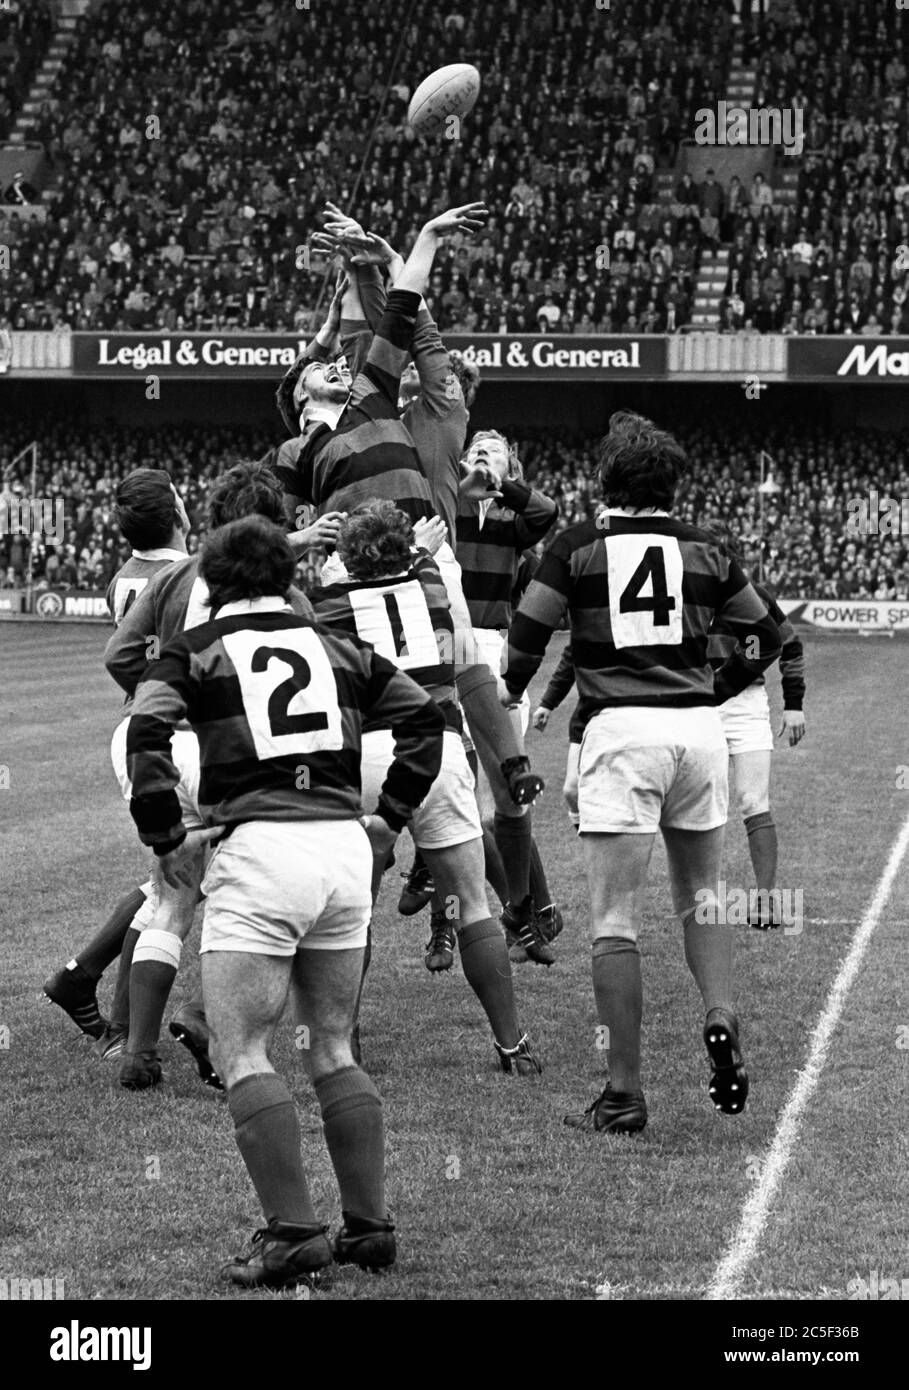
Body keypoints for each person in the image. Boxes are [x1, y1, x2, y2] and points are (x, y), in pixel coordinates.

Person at [126, 513, 445, 1288]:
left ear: (212, 581)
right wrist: (388, 819)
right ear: (286, 577)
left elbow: (146, 734)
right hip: (339, 852)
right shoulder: (338, 644)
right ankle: (368, 1230)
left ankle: (294, 1235)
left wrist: (168, 838)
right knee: (332, 1042)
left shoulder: (195, 651)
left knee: (243, 1051)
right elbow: (424, 720)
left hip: (260, 851)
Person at [501, 411, 783, 1134]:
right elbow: (765, 633)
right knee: (701, 896)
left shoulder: (577, 547)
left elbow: (529, 634)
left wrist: (510, 687)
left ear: (607, 481)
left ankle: (622, 1094)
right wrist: (713, 688)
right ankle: (719, 1012)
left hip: (621, 733)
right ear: (671, 482)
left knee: (613, 918)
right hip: (697, 732)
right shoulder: (708, 549)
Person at [104, 461, 317, 1090]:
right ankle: (214, 1027)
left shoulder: (171, 576)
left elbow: (120, 654)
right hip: (229, 752)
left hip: (158, 744)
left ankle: (138, 1051)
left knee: (170, 896)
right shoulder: (289, 596)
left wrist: (161, 696)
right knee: (251, 898)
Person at [314, 499, 540, 1074]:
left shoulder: (330, 605)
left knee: (351, 911)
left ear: (348, 558)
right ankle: (511, 1043)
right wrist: (418, 546)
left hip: (365, 758)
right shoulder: (431, 586)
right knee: (471, 900)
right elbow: (427, 567)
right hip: (436, 747)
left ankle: (345, 1044)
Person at [43, 469, 191, 1055]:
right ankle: (125, 1030)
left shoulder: (124, 578)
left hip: (137, 724)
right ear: (177, 516)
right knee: (174, 884)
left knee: (171, 878)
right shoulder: (180, 574)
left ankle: (82, 980)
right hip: (170, 729)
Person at [701, 522, 807, 928]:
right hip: (697, 703)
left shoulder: (754, 596)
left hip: (745, 704)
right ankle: (703, 897)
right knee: (700, 807)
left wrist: (794, 706)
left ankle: (764, 901)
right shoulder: (684, 594)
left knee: (752, 800)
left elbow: (790, 643)